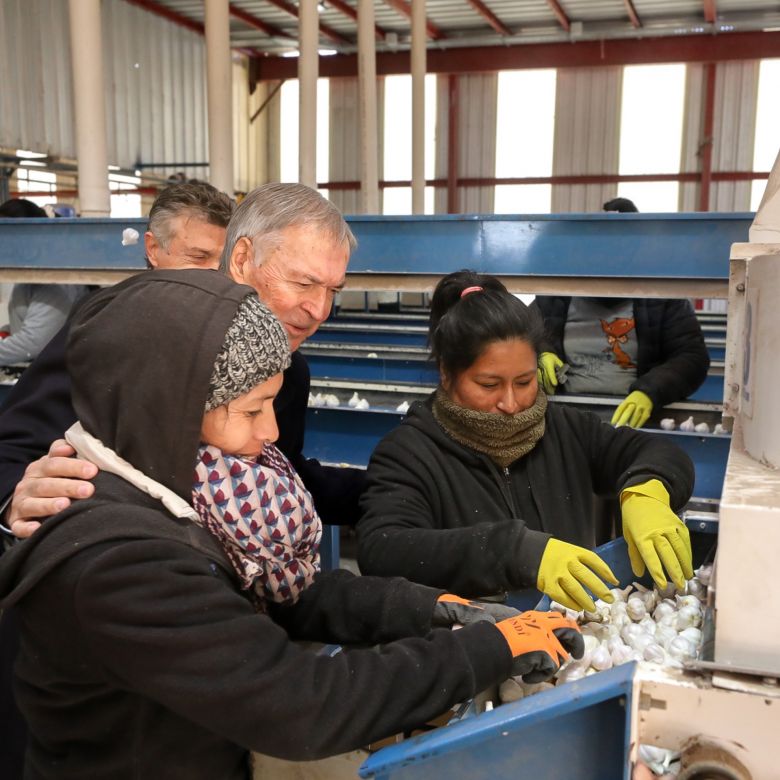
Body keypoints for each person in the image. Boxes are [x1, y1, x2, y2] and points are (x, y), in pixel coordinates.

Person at [0, 269, 583, 777]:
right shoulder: (121, 561)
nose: (272, 433)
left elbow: (284, 595)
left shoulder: (180, 493)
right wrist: (486, 649)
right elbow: (303, 704)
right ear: (170, 410)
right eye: (252, 411)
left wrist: (431, 609)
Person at [0, 182, 363, 541]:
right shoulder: (125, 330)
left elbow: (280, 473)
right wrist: (14, 500)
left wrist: (390, 488)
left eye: (333, 290)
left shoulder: (288, 370)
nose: (320, 310)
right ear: (240, 259)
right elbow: (12, 449)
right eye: (302, 284)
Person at [357, 270, 695, 613]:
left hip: (573, 638)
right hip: (472, 648)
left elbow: (658, 452)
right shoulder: (409, 452)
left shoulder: (565, 430)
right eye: (489, 385)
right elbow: (383, 549)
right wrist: (518, 552)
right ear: (446, 373)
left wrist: (646, 492)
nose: (511, 403)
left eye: (524, 381)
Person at [533, 198, 710, 429]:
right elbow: (520, 332)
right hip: (561, 422)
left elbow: (692, 357)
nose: (606, 258)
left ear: (634, 249)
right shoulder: (557, 295)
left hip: (634, 425)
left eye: (618, 248)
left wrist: (650, 392)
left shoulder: (661, 297)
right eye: (599, 247)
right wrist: (540, 352)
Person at [0, 199, 86, 367]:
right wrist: (8, 329)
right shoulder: (30, 274)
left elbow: (35, 342)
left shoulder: (54, 280)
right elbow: (36, 319)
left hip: (57, 379)